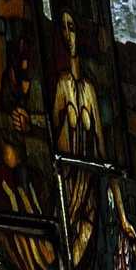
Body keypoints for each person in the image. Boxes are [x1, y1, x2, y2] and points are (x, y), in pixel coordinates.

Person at [51, 11, 104, 159]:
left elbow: (100, 142)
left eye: (71, 28)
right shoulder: (63, 83)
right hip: (70, 174)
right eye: (63, 28)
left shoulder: (90, 89)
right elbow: (52, 125)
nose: (68, 36)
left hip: (91, 177)